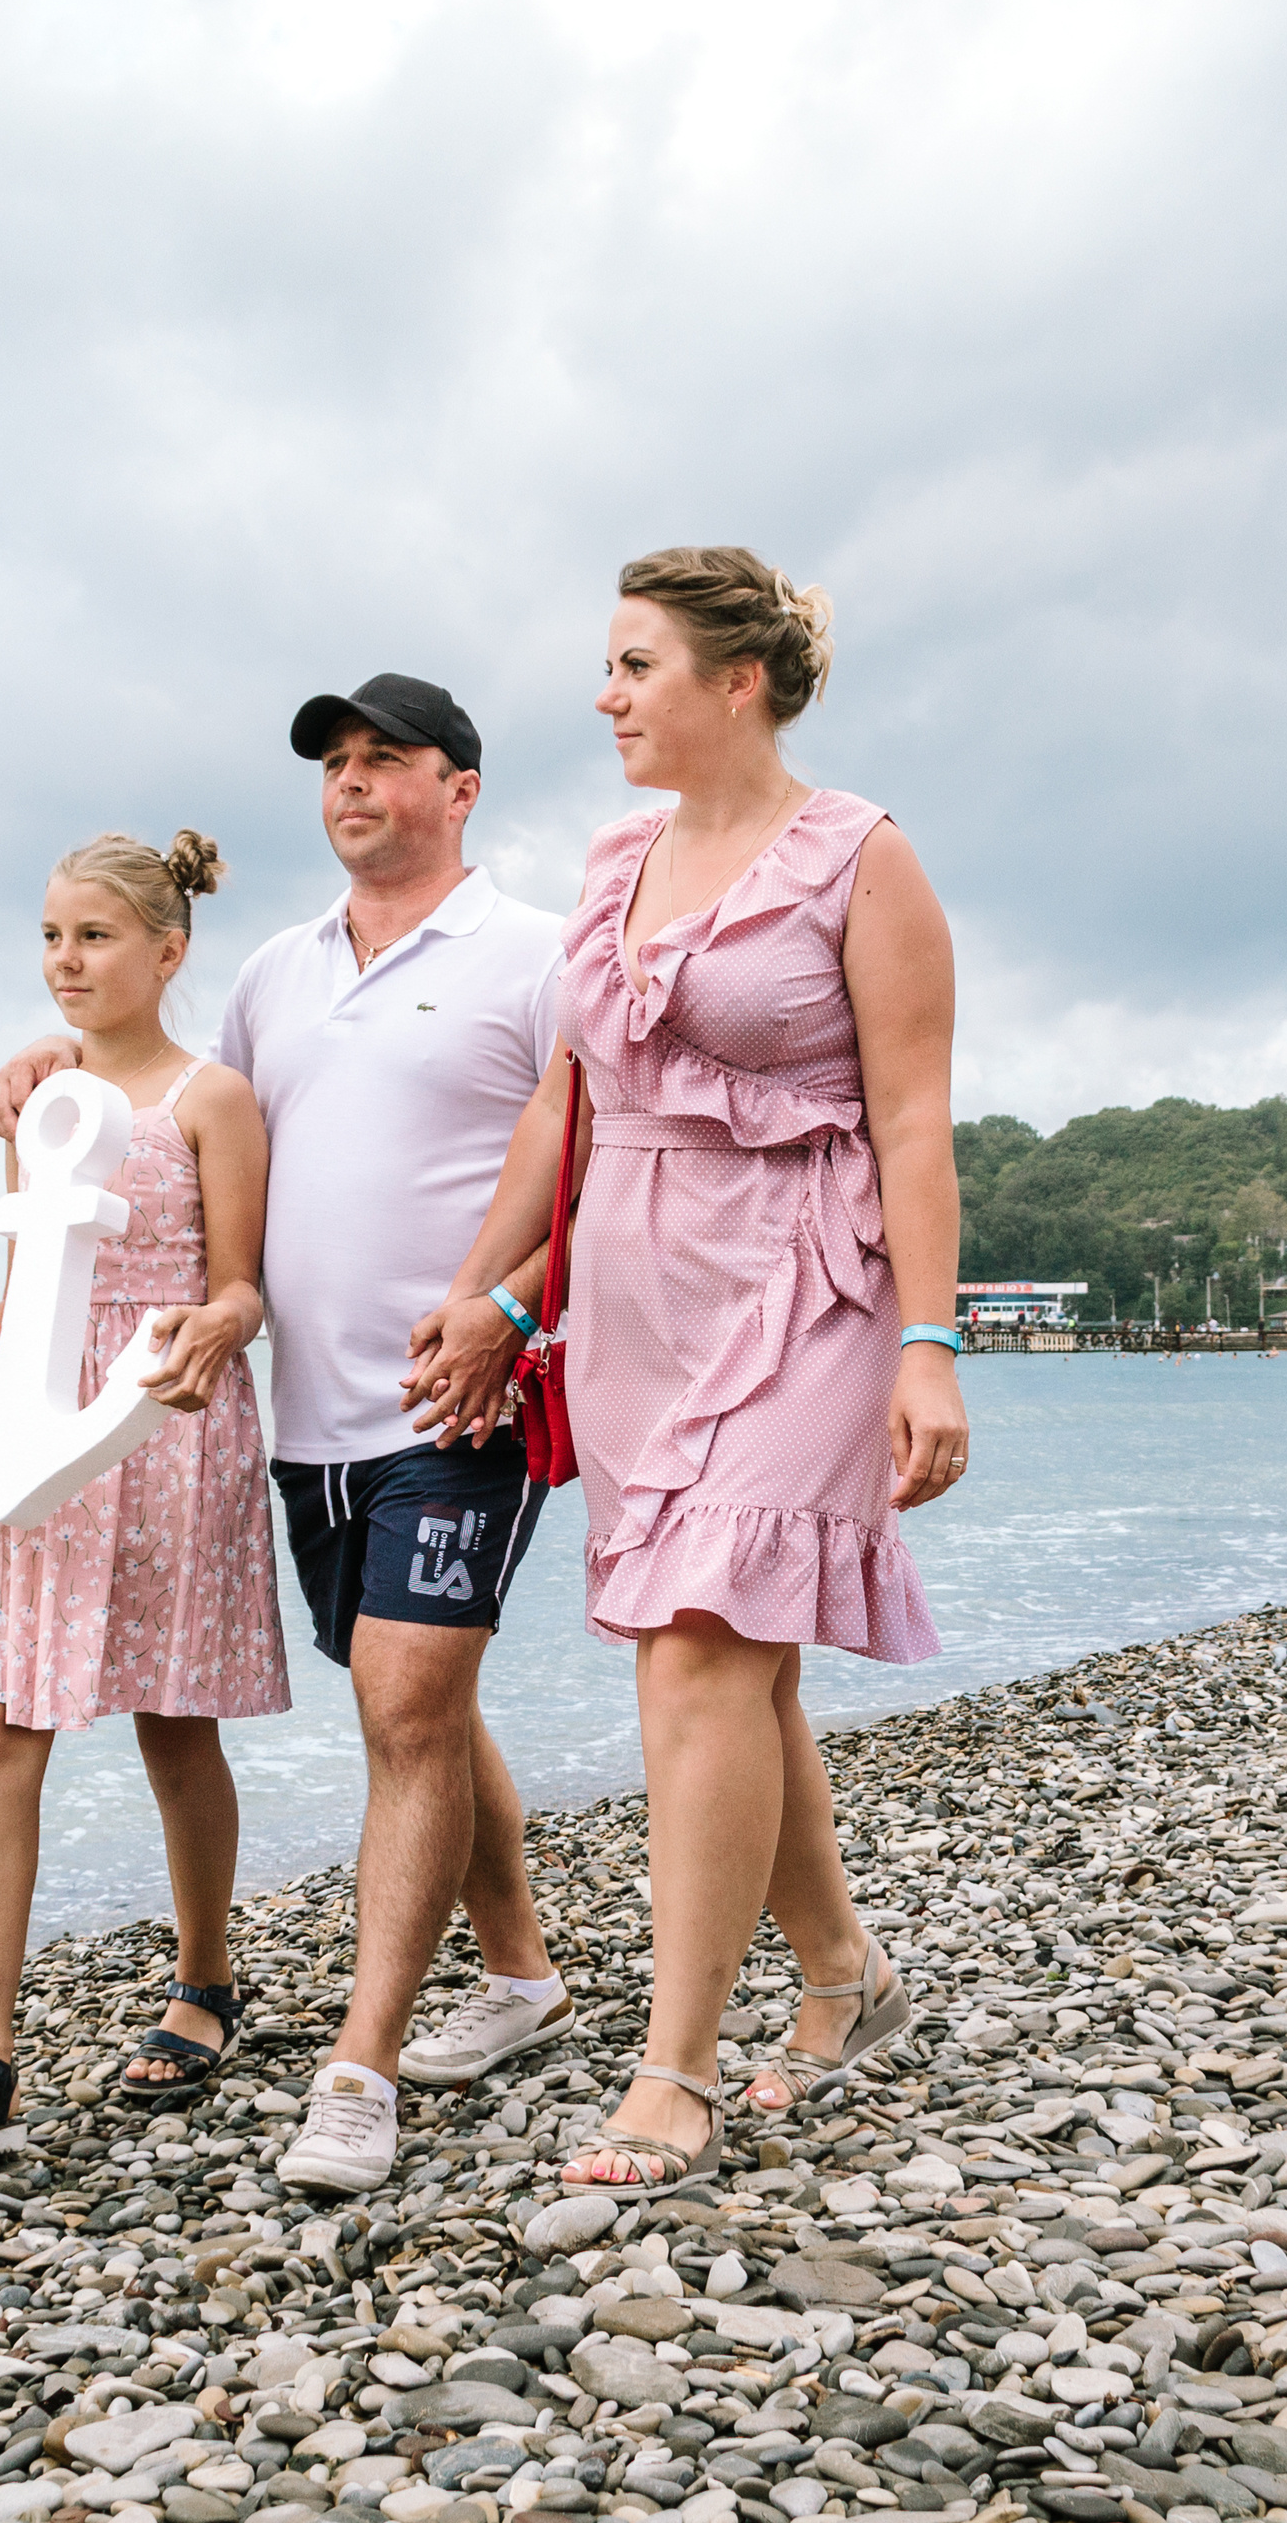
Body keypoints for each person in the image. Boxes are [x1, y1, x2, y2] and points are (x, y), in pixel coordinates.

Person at [411, 548, 968, 2189]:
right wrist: (491, 1297)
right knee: (730, 1661)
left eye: (635, 666)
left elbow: (915, 1117)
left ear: (740, 681)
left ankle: (678, 2069)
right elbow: (564, 1106)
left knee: (703, 1651)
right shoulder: (613, 862)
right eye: (607, 666)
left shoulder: (862, 857)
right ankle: (847, 1978)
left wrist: (930, 1346)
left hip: (808, 1278)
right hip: (634, 1294)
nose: (606, 697)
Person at [0, 676, 572, 2196]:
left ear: (462, 789)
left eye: (387, 760)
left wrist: (510, 1312)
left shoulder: (537, 953)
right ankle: (523, 1976)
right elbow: (173, 1112)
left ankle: (358, 2073)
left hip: (466, 1397)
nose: (352, 783)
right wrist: (50, 1066)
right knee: (409, 1700)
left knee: (411, 1707)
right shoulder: (272, 975)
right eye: (335, 765)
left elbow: (602, 1164)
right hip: (305, 1421)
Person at [0, 830, 292, 2155]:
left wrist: (216, 1329)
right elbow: (28, 1298)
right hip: (34, 1437)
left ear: (169, 951)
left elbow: (244, 1288)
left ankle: (205, 1982)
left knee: (175, 1721)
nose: (66, 960)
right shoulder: (38, 1100)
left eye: (94, 936)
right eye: (51, 936)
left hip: (163, 1426)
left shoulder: (213, 1099)